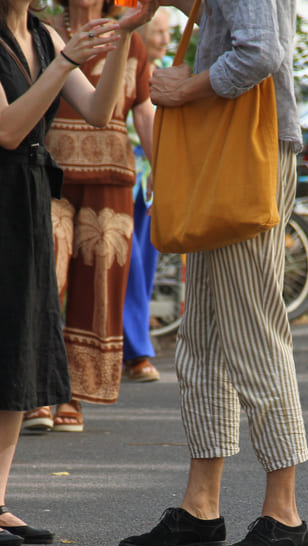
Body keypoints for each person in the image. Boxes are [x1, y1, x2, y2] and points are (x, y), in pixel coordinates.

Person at [0, 0, 148, 546]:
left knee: (16, 345)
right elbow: (5, 127)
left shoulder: (42, 33)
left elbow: (98, 112)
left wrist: (119, 44)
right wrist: (64, 61)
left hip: (29, 196)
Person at [116, 0, 308, 546]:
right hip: (231, 147)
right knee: (203, 334)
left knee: (252, 329)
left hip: (247, 146)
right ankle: (201, 507)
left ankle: (285, 511)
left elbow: (260, 50)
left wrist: (185, 89)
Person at [41, 0, 153, 432]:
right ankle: (36, 391)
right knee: (45, 278)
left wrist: (163, 168)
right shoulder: (44, 32)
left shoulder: (132, 37)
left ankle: (71, 394)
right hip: (50, 173)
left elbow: (142, 107)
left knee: (98, 289)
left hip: (112, 177)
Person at [119, 6, 171, 385]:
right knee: (130, 260)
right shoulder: (127, 55)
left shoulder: (170, 67)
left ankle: (134, 343)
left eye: (169, 32)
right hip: (125, 167)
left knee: (146, 261)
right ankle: (137, 349)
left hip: (155, 170)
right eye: (160, 31)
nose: (165, 38)